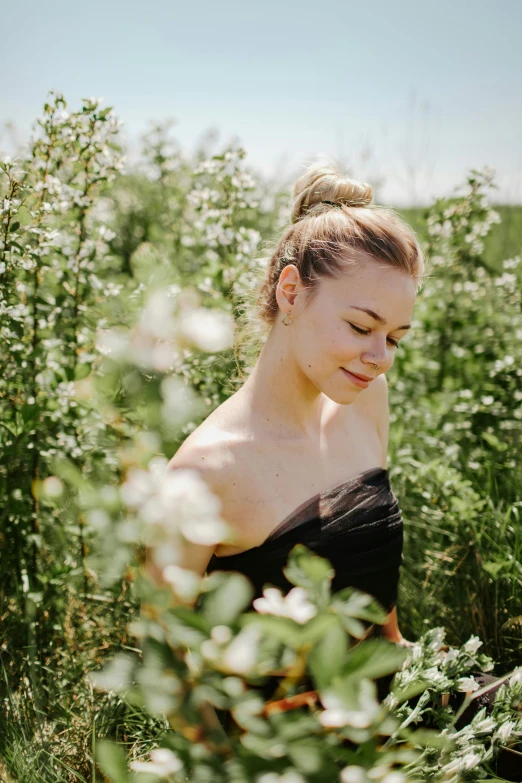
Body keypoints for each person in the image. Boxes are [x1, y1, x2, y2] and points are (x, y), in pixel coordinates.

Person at [145, 161, 519, 776]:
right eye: (360, 326)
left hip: (392, 692)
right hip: (292, 747)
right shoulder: (203, 475)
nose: (380, 359)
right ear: (290, 292)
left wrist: (430, 672)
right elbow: (167, 669)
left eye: (395, 338)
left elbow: (373, 589)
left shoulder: (365, 402)